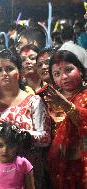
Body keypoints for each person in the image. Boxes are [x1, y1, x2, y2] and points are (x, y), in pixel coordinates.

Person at [0, 49, 51, 189]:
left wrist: (15, 131)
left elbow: (45, 138)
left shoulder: (33, 101)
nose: (4, 74)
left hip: (28, 173)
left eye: (9, 69)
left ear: (20, 72)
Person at [43, 50, 87, 189]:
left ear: (80, 70)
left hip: (82, 168)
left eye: (69, 70)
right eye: (57, 74)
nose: (64, 77)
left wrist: (67, 106)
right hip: (56, 169)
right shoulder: (48, 100)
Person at [0, 123, 35, 189]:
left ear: (17, 146)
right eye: (0, 145)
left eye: (11, 146)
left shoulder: (23, 163)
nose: (5, 150)